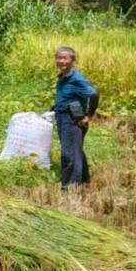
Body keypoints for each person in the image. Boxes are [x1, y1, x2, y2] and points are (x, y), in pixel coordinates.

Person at [53, 46, 99, 190]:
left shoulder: (76, 78)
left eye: (64, 58)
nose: (61, 61)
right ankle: (84, 182)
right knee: (76, 150)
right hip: (63, 117)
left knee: (69, 153)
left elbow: (93, 95)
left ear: (73, 60)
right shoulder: (64, 77)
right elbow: (67, 97)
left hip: (72, 119)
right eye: (58, 58)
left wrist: (88, 115)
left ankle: (70, 186)